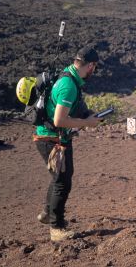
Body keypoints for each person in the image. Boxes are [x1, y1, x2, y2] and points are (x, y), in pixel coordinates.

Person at [34, 47, 103, 242]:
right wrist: (86, 123)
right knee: (62, 181)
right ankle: (56, 228)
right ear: (90, 65)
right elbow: (59, 120)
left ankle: (48, 213)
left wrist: (87, 115)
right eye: (94, 68)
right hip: (51, 138)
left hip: (52, 137)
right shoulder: (68, 85)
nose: (94, 71)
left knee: (59, 178)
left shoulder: (69, 75)